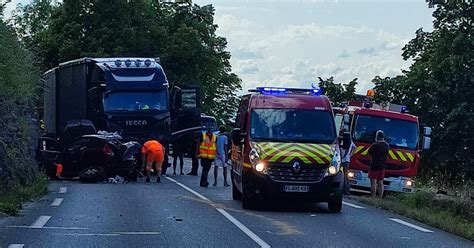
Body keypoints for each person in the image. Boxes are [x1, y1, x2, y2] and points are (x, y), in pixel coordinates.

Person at [368, 130, 389, 198]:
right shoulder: (387, 145)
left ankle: (373, 197)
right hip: (383, 166)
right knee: (380, 182)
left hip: (374, 165)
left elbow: (369, 152)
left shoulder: (375, 145)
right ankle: (380, 197)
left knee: (373, 181)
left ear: (377, 136)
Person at [339, 129, 356, 195]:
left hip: (343, 160)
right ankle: (346, 190)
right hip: (347, 160)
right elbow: (355, 147)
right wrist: (350, 155)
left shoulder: (343, 141)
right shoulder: (350, 140)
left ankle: (345, 191)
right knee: (345, 176)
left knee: (342, 176)